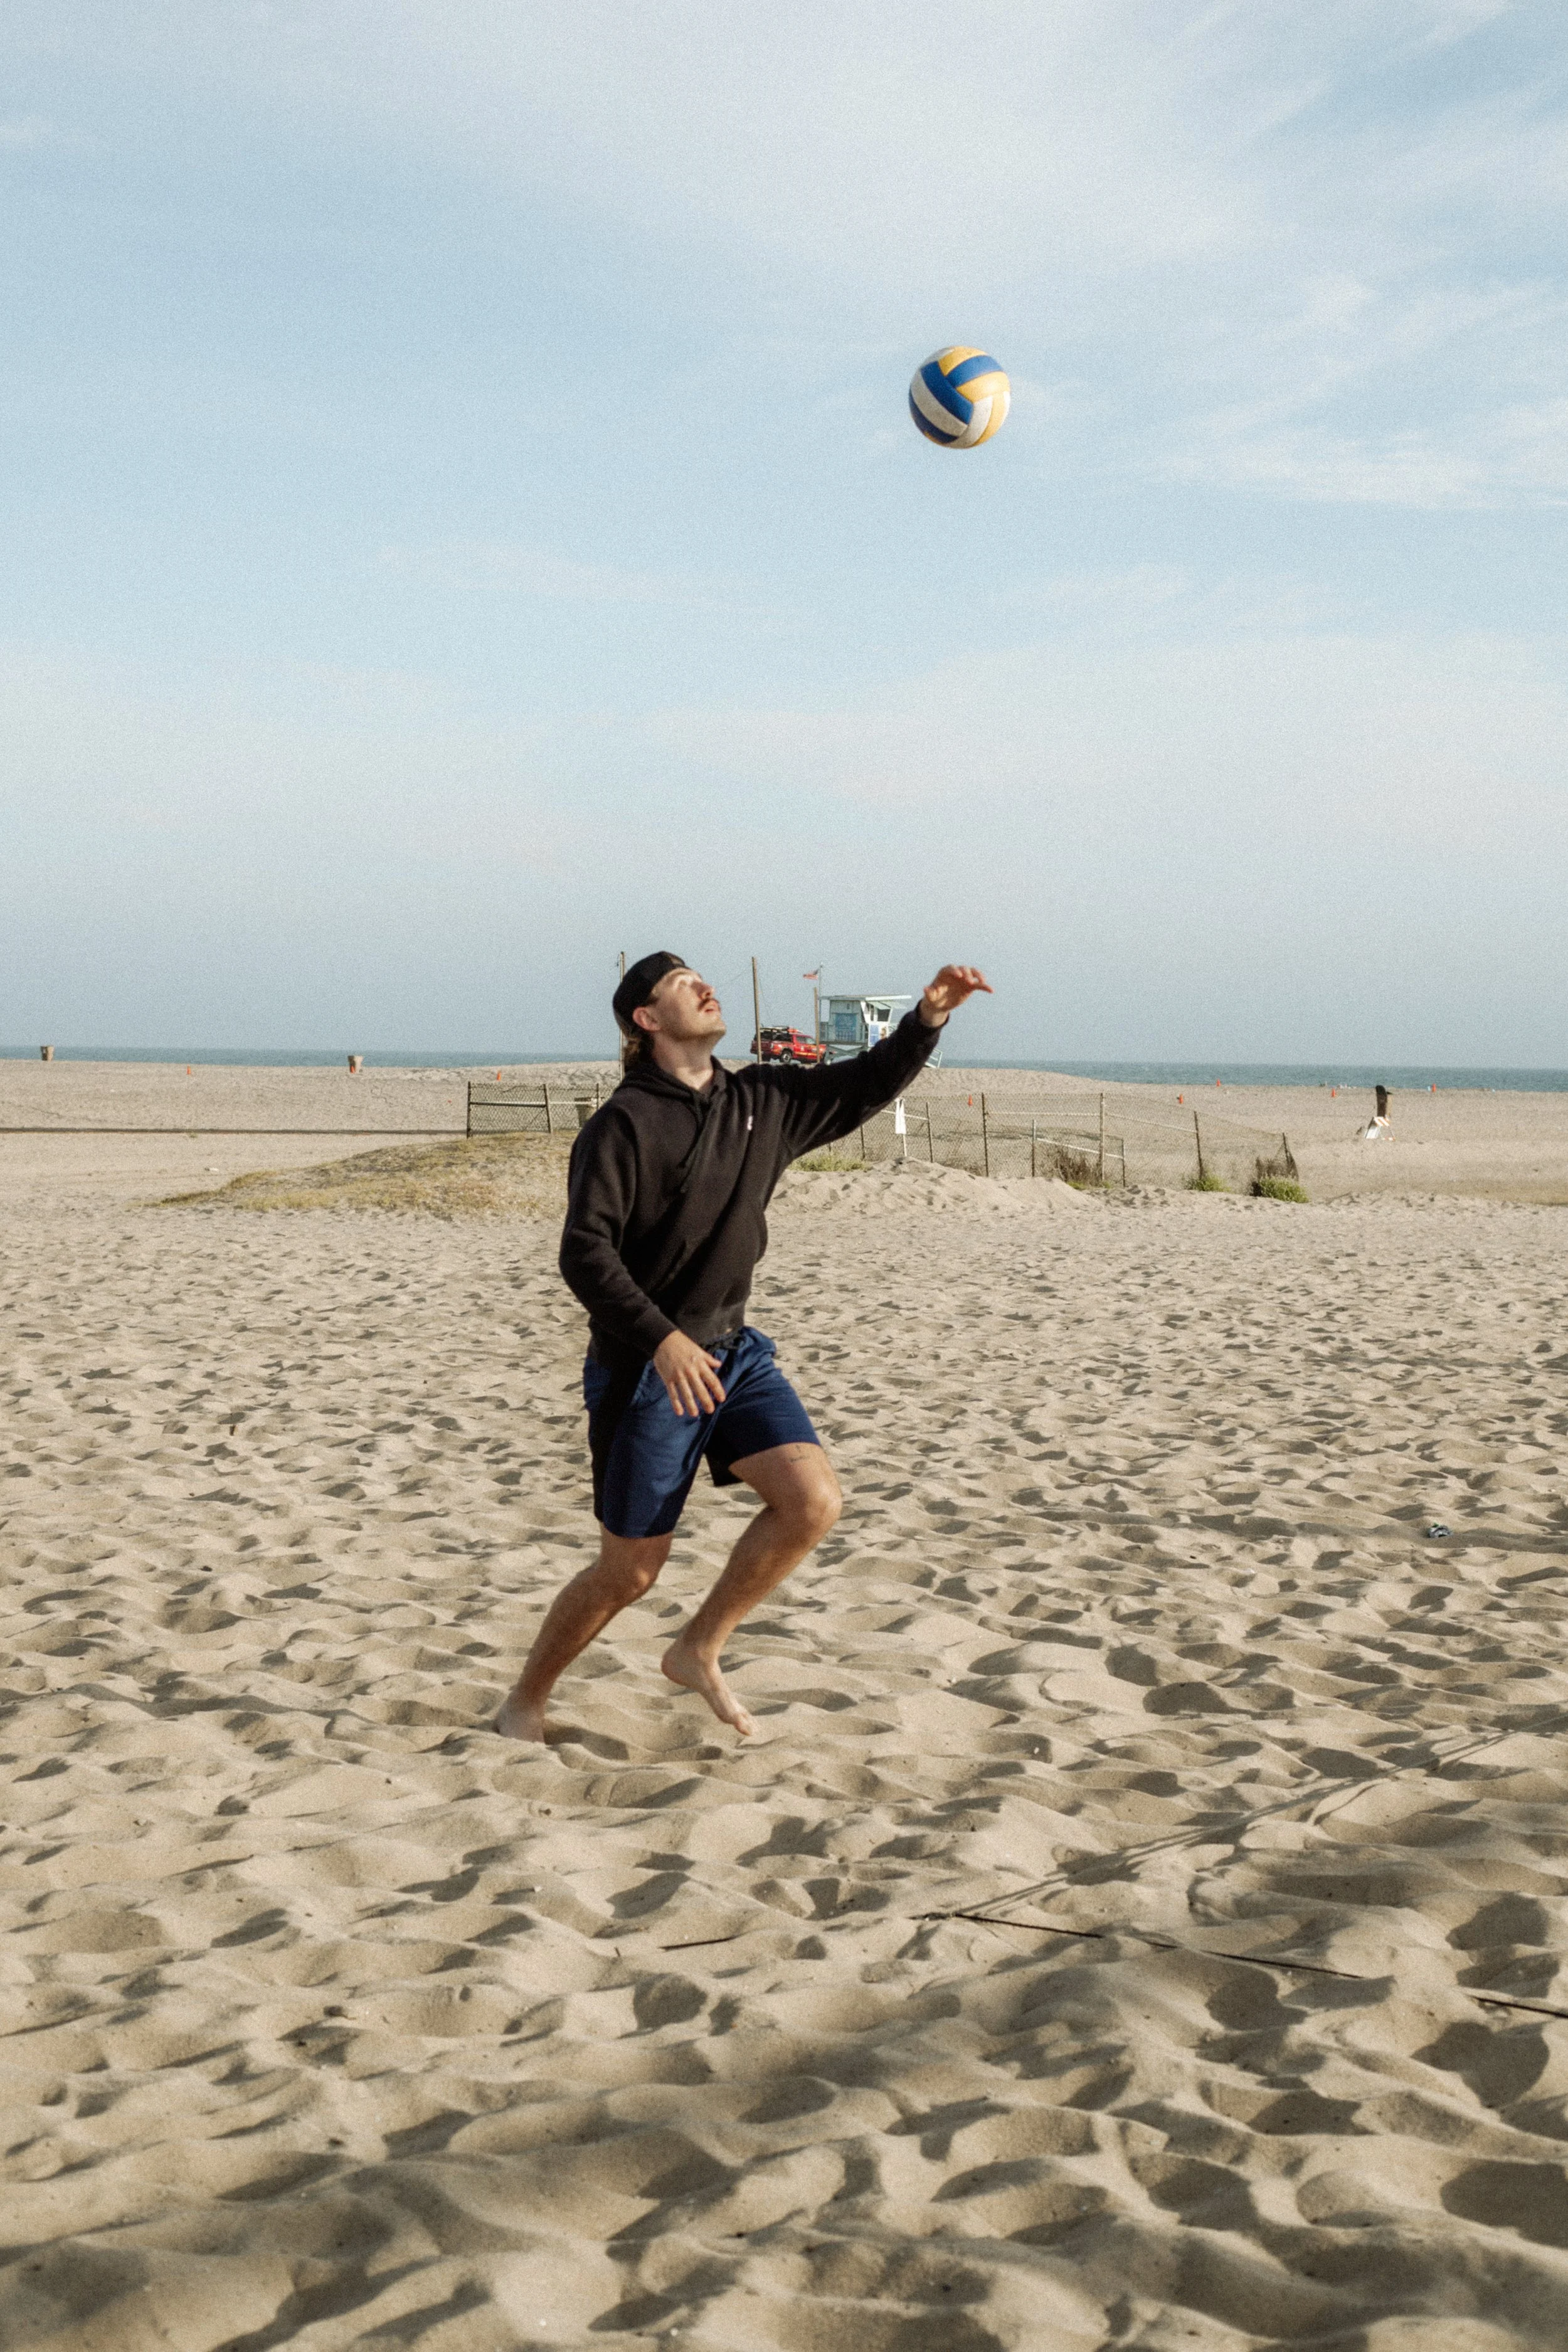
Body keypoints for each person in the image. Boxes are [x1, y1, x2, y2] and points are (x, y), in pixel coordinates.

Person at [494, 953, 992, 1742]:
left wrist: (928, 1018)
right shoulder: (623, 1125)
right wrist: (661, 1342)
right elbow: (584, 1253)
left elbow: (862, 1086)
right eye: (678, 984)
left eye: (701, 975)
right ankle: (524, 1701)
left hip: (734, 1351)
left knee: (811, 1502)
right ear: (646, 1021)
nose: (703, 985)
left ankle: (697, 1648)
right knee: (630, 1572)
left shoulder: (762, 1098)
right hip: (647, 1370)